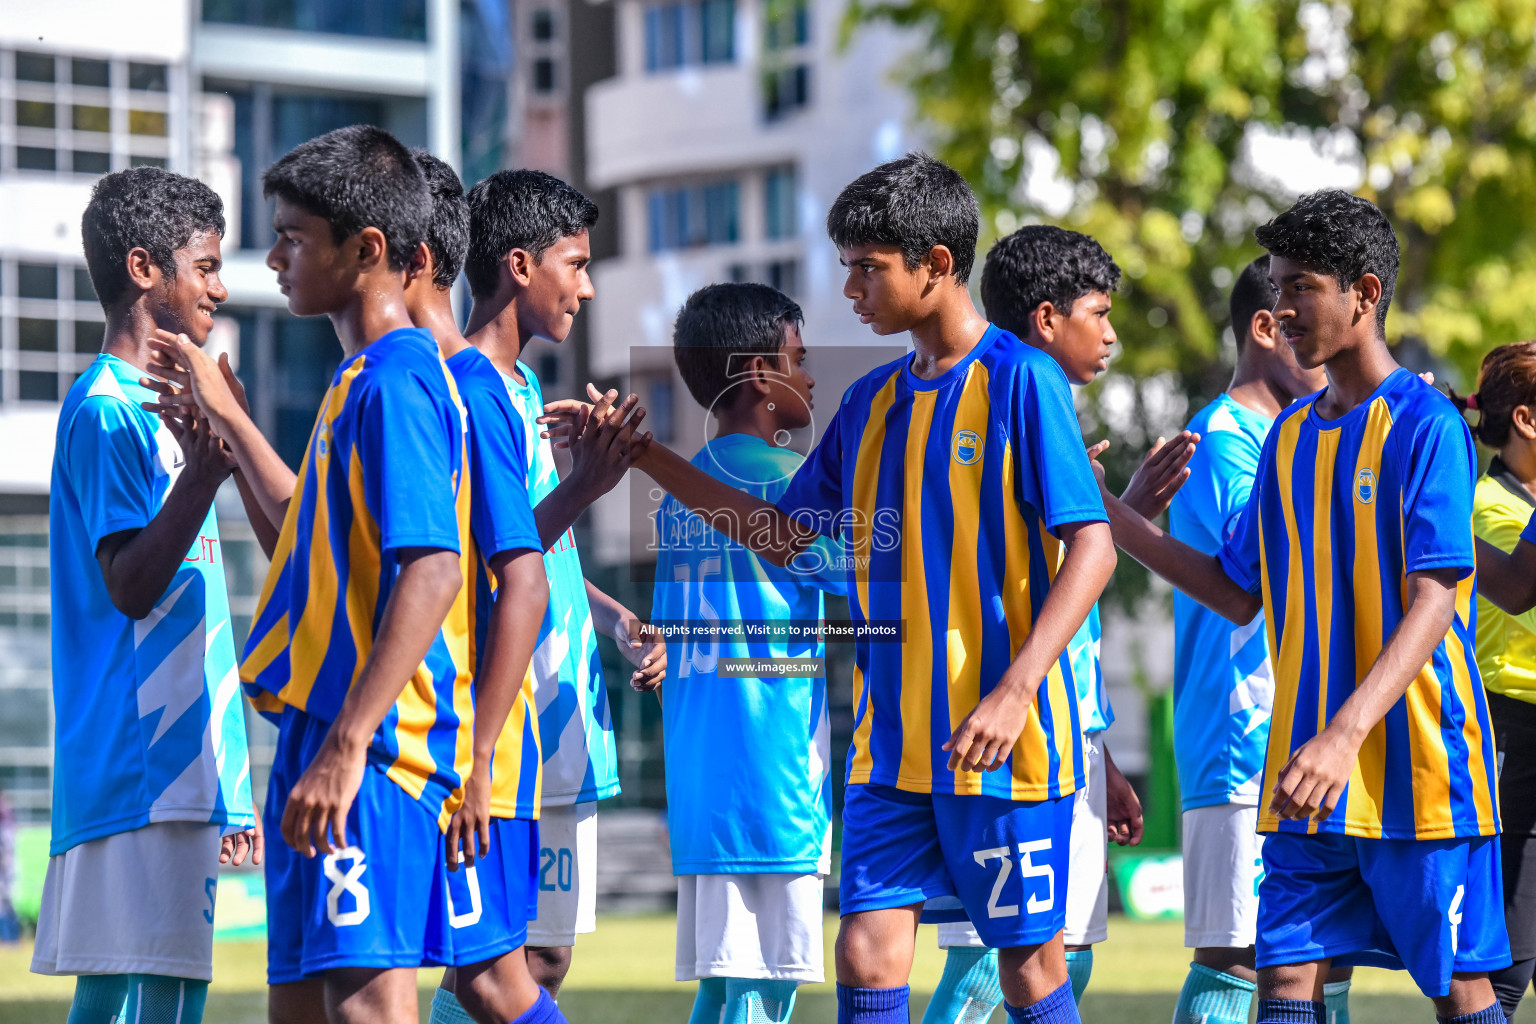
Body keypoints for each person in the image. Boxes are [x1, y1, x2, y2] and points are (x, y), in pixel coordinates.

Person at [625, 153, 1117, 1024]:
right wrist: (649, 458)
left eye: (868, 267)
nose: (849, 288)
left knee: (1030, 973)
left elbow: (1094, 547)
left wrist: (1015, 690)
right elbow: (785, 539)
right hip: (890, 750)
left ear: (935, 263)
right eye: (847, 265)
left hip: (1000, 746)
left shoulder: (1021, 380)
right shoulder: (871, 402)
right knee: (863, 953)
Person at [1095, 188, 1507, 1024]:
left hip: (1424, 775)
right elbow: (1234, 589)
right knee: (1283, 984)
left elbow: (1433, 602)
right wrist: (1111, 516)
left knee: (1461, 991)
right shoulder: (1286, 439)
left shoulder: (1428, 426)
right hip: (1306, 779)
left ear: (1365, 293)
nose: (1282, 309)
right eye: (1276, 289)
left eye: (1301, 288)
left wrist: (1343, 736)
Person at [167, 124, 471, 1024]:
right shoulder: (352, 384)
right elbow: (303, 551)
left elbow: (435, 571)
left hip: (372, 753)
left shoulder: (400, 380)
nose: (272, 258)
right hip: (314, 740)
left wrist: (348, 744)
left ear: (367, 250)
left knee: (367, 1010)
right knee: (298, 1011)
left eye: (293, 237)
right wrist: (228, 431)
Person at [33, 166, 258, 1024]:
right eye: (204, 265)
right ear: (143, 270)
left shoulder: (174, 402)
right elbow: (130, 587)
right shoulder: (106, 410)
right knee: (130, 994)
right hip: (137, 762)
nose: (220, 286)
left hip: (184, 767)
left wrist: (228, 779)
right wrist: (203, 476)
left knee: (169, 992)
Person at [918, 224, 1146, 1021]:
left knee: (1062, 962)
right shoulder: (997, 401)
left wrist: (1100, 754)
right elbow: (1028, 585)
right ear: (1047, 320)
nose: (1112, 333)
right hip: (998, 747)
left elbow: (1068, 618)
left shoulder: (1051, 427)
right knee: (999, 968)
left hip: (1062, 744)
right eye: (1100, 312)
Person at [462, 168, 665, 997]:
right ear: (519, 265)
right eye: (574, 264)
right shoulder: (470, 386)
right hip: (514, 721)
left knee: (539, 962)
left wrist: (616, 618)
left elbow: (547, 557)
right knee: (500, 965)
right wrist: (584, 485)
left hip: (560, 708)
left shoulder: (523, 388)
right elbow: (485, 561)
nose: (584, 286)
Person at [1145, 255, 1360, 1024]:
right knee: (1239, 953)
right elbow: (1255, 566)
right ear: (1266, 328)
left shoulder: (1305, 432)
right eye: (1299, 308)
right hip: (1241, 737)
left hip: (1307, 736)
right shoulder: (1225, 435)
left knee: (1319, 951)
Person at [650, 283, 847, 1024]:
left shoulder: (679, 495)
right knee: (763, 992)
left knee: (726, 985)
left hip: (702, 777)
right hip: (772, 776)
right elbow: (861, 578)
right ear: (760, 376)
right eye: (799, 360)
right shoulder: (794, 483)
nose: (811, 377)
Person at [401, 151, 559, 1024]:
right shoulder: (403, 379)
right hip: (425, 751)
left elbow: (524, 581)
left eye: (311, 237)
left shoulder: (465, 385)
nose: (281, 261)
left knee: (496, 982)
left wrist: (478, 757)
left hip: (461, 756)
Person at [1449, 343, 1536, 1020]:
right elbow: (1519, 593)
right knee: (1503, 969)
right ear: (1527, 420)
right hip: (1514, 742)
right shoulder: (1488, 509)